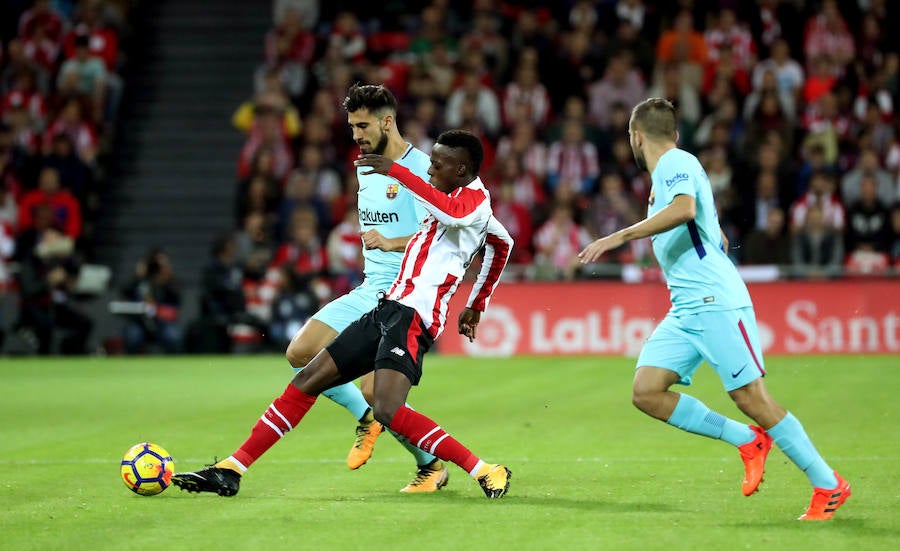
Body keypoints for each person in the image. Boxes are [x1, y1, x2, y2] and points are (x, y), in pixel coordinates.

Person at [172, 130, 514, 499]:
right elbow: (502, 243)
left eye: (437, 164)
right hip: (390, 306)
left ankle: (484, 470)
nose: (429, 169)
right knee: (309, 378)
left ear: (461, 168)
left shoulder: (475, 202)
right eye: (428, 162)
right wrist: (475, 305)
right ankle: (232, 469)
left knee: (386, 407)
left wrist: (397, 172)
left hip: (415, 317)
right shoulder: (449, 197)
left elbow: (464, 221)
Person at [578, 98, 850, 521]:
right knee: (647, 391)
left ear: (636, 136)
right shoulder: (673, 170)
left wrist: (619, 236)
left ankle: (828, 484)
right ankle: (748, 440)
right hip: (686, 306)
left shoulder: (672, 162)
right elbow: (702, 219)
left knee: (751, 396)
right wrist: (713, 228)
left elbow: (685, 209)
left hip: (713, 300)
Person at [282, 83, 454, 492]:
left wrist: (392, 243)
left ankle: (430, 465)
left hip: (404, 294)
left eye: (362, 125)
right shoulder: (364, 167)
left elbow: (444, 237)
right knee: (300, 353)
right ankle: (366, 418)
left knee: (380, 393)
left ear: (387, 121)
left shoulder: (422, 170)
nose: (356, 135)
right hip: (368, 289)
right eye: (352, 127)